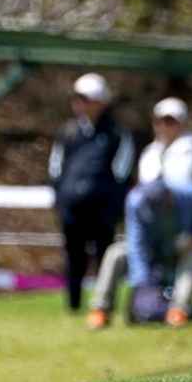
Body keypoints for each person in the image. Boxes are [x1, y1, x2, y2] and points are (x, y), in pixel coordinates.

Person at [48, 73, 135, 312]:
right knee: (74, 258)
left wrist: (113, 207)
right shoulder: (67, 132)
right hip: (72, 209)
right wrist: (61, 201)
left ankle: (102, 306)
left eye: (85, 99)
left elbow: (122, 174)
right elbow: (55, 169)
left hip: (102, 211)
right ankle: (73, 306)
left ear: (101, 102)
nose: (79, 104)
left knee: (104, 259)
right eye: (77, 99)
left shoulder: (117, 134)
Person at [86, 179, 192, 329]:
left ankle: (179, 309)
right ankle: (101, 309)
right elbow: (136, 243)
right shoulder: (136, 201)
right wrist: (143, 284)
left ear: (169, 194)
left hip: (180, 250)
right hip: (150, 252)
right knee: (116, 253)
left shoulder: (190, 195)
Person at [136, 97, 192, 206]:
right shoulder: (149, 152)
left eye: (169, 121)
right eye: (158, 122)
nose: (163, 126)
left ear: (183, 123)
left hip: (187, 212)